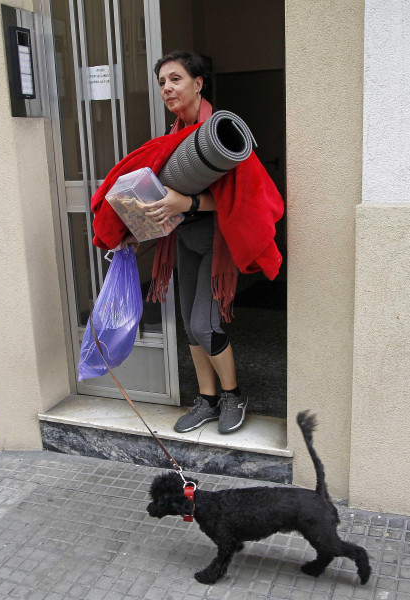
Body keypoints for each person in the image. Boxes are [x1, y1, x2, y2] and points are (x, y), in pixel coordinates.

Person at [133, 51, 243, 434]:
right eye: (162, 81)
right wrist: (135, 230)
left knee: (204, 324)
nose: (167, 87)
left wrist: (190, 202)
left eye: (175, 79)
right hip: (183, 236)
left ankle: (234, 395)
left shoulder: (221, 132)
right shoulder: (171, 135)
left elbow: (236, 201)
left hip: (216, 239)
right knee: (188, 325)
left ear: (198, 84)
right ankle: (208, 400)